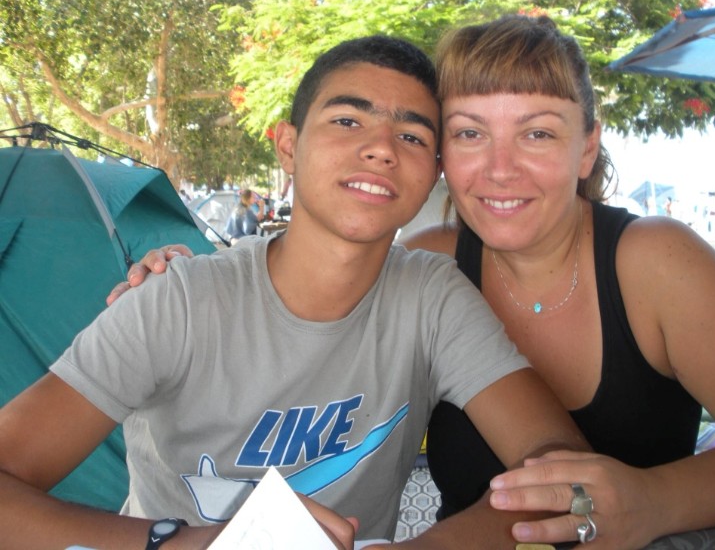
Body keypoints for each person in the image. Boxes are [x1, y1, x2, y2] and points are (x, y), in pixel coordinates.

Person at [119, 16, 715, 549]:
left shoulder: (651, 260)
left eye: (537, 134)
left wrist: (656, 502)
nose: (500, 169)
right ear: (443, 153)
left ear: (586, 148)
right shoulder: (430, 266)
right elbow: (302, 305)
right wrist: (188, 278)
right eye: (471, 134)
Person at [0, 34, 588, 550]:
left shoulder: (430, 297)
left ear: (432, 173)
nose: (381, 148)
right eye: (348, 121)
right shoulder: (176, 302)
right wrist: (184, 543)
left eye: (411, 135)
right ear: (288, 145)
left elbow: (555, 456)